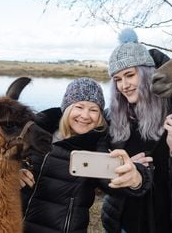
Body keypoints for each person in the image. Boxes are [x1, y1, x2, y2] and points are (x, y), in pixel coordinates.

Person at [99, 29, 172, 233]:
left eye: (129, 75)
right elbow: (99, 176)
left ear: (146, 74)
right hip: (126, 225)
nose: (124, 86)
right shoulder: (112, 118)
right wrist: (122, 167)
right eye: (117, 79)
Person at [20, 77, 149, 233]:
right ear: (67, 108)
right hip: (17, 225)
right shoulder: (36, 133)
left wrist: (135, 177)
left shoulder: (98, 145)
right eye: (79, 107)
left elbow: (113, 185)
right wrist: (12, 173)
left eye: (93, 109)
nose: (85, 115)